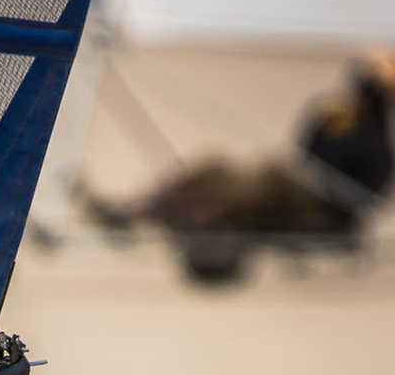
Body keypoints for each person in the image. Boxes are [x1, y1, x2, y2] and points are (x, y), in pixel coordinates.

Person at [84, 47, 395, 280]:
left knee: (269, 174)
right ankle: (140, 207)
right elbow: (304, 152)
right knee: (219, 167)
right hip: (292, 191)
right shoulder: (331, 116)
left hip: (319, 210)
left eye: (367, 90)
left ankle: (200, 205)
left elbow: (364, 201)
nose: (358, 94)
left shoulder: (378, 146)